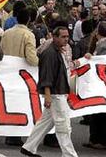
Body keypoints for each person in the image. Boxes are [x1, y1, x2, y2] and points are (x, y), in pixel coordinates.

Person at [21, 26, 78, 157]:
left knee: (46, 122)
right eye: (63, 37)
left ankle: (29, 147)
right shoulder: (50, 54)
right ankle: (69, 154)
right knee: (63, 126)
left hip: (57, 92)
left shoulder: (57, 51)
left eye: (67, 37)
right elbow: (46, 77)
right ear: (54, 37)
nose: (66, 39)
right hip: (55, 94)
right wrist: (47, 96)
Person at [0, 8, 38, 147]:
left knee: (9, 102)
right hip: (22, 75)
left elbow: (1, 51)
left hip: (7, 73)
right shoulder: (29, 35)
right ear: (28, 20)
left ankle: (9, 134)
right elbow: (32, 59)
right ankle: (15, 134)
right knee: (20, 104)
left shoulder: (7, 33)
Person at [83, 21, 106, 150]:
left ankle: (101, 139)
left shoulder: (105, 46)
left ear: (98, 32)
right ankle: (96, 138)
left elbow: (102, 64)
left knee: (101, 112)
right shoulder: (105, 44)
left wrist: (92, 58)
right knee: (98, 112)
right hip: (102, 83)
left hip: (102, 83)